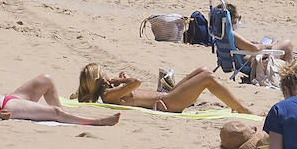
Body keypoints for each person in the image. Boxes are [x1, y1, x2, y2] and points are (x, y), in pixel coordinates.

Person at [75, 64, 252, 114]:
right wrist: (121, 80)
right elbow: (137, 82)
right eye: (105, 73)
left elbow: (132, 87)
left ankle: (236, 105)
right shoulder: (107, 94)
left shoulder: (110, 91)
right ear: (100, 79)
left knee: (203, 70)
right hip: (170, 102)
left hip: (168, 95)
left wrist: (120, 82)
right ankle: (241, 108)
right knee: (208, 78)